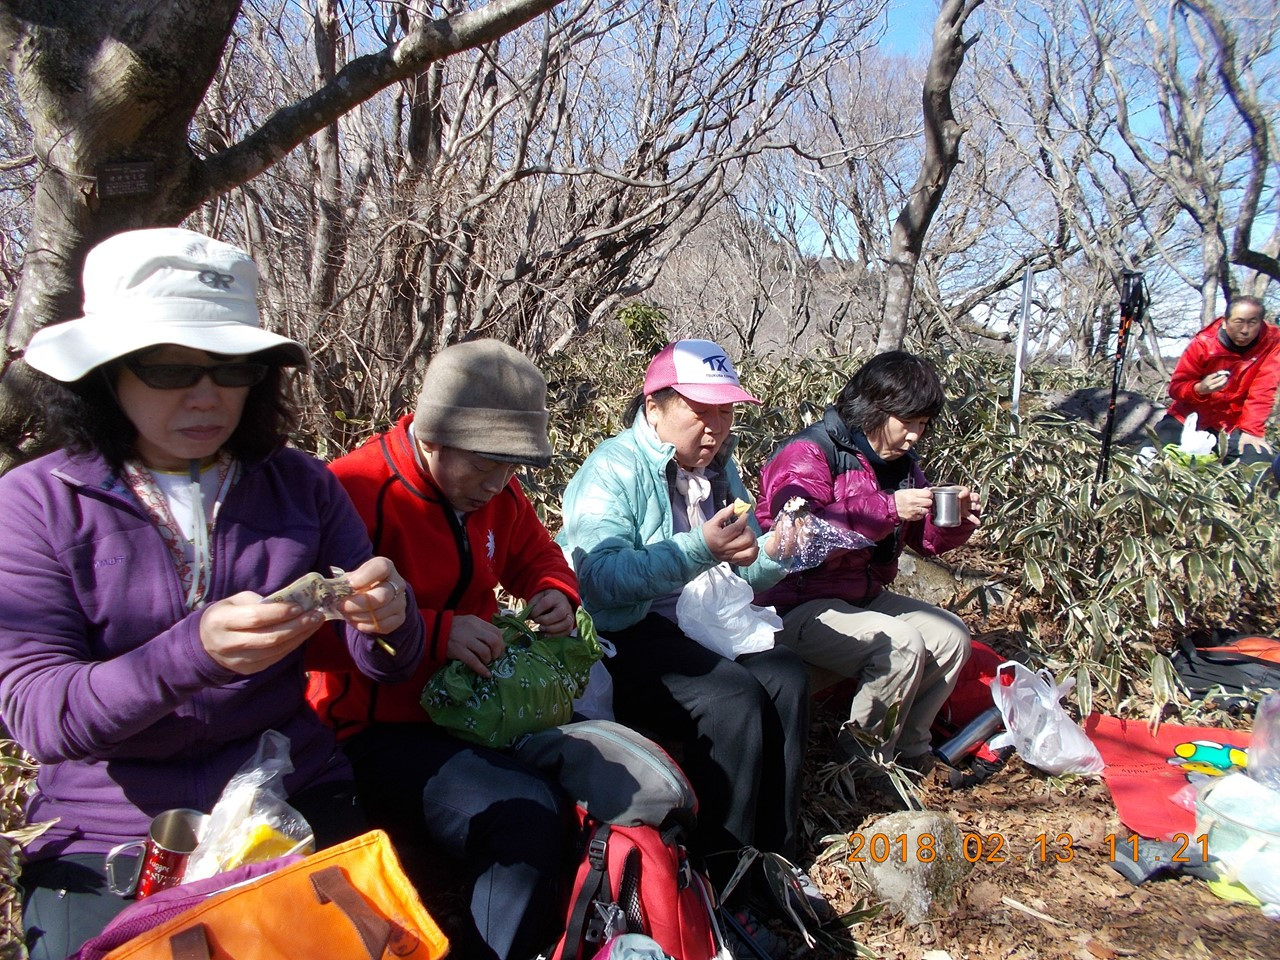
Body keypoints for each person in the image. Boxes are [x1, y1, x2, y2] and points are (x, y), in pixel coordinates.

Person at [0, 228, 423, 960]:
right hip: (109, 830)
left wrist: (391, 619)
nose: (207, 396)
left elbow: (385, 659)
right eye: (168, 370)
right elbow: (39, 712)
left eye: (233, 369)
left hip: (289, 796)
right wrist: (190, 654)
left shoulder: (300, 485)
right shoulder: (36, 503)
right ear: (106, 373)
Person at [306, 339, 580, 960]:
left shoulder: (494, 493)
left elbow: (537, 553)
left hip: (470, 710)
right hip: (367, 730)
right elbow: (308, 636)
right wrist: (431, 633)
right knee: (526, 814)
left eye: (512, 466)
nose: (498, 482)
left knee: (597, 776)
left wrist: (554, 590)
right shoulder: (353, 490)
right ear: (431, 436)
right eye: (485, 462)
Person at [557, 339, 810, 913]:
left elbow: (745, 561)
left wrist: (781, 551)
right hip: (624, 631)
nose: (715, 428)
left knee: (787, 677)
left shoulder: (721, 469)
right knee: (732, 698)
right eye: (701, 411)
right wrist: (700, 547)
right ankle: (722, 870)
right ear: (654, 407)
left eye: (725, 412)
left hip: (699, 617)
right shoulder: (613, 469)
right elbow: (599, 578)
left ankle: (777, 855)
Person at [755, 351, 980, 775]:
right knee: (899, 643)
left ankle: (912, 750)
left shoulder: (903, 466)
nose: (916, 435)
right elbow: (798, 533)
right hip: (792, 605)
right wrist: (888, 508)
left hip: (862, 597)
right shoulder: (808, 453)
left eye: (924, 424)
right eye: (908, 422)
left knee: (952, 637)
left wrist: (955, 523)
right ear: (876, 408)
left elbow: (926, 542)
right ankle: (863, 765)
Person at [1153, 295, 1278, 469]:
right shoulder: (1203, 343)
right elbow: (1176, 388)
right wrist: (1200, 389)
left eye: (1252, 322)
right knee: (1146, 458)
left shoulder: (1272, 342)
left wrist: (1252, 431)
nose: (1245, 330)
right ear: (1225, 322)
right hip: (1188, 417)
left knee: (1260, 464)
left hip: (1233, 423)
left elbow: (1263, 390)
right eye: (1238, 322)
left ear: (1261, 322)